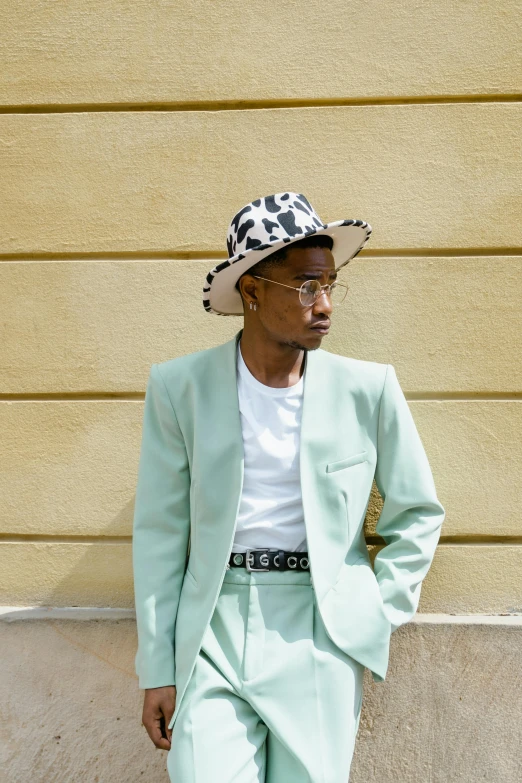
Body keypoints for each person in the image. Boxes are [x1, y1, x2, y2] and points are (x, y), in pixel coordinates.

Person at [132, 192, 446, 782]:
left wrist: (378, 611)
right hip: (213, 630)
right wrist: (157, 665)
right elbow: (159, 533)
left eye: (329, 284)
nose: (324, 303)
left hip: (320, 630)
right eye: (306, 286)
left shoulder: (367, 389)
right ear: (252, 290)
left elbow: (418, 512)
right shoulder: (180, 388)